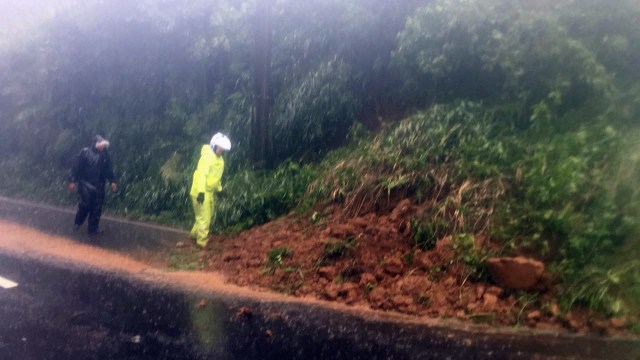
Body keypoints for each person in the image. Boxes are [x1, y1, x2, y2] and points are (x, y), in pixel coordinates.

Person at [68, 135, 117, 236]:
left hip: (99, 185)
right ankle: (77, 223)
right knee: (84, 205)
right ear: (96, 144)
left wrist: (112, 181)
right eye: (101, 145)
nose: (102, 147)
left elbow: (108, 169)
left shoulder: (104, 155)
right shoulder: (85, 153)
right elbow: (76, 167)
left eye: (104, 145)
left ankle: (93, 229)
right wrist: (72, 180)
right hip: (85, 184)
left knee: (97, 207)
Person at [189, 132, 231, 248]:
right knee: (204, 218)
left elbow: (216, 177)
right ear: (213, 145)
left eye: (222, 149)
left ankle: (194, 235)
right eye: (219, 148)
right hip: (200, 191)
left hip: (209, 192)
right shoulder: (206, 157)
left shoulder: (220, 161)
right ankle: (201, 243)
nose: (220, 150)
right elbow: (202, 175)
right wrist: (201, 192)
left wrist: (220, 190)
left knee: (208, 214)